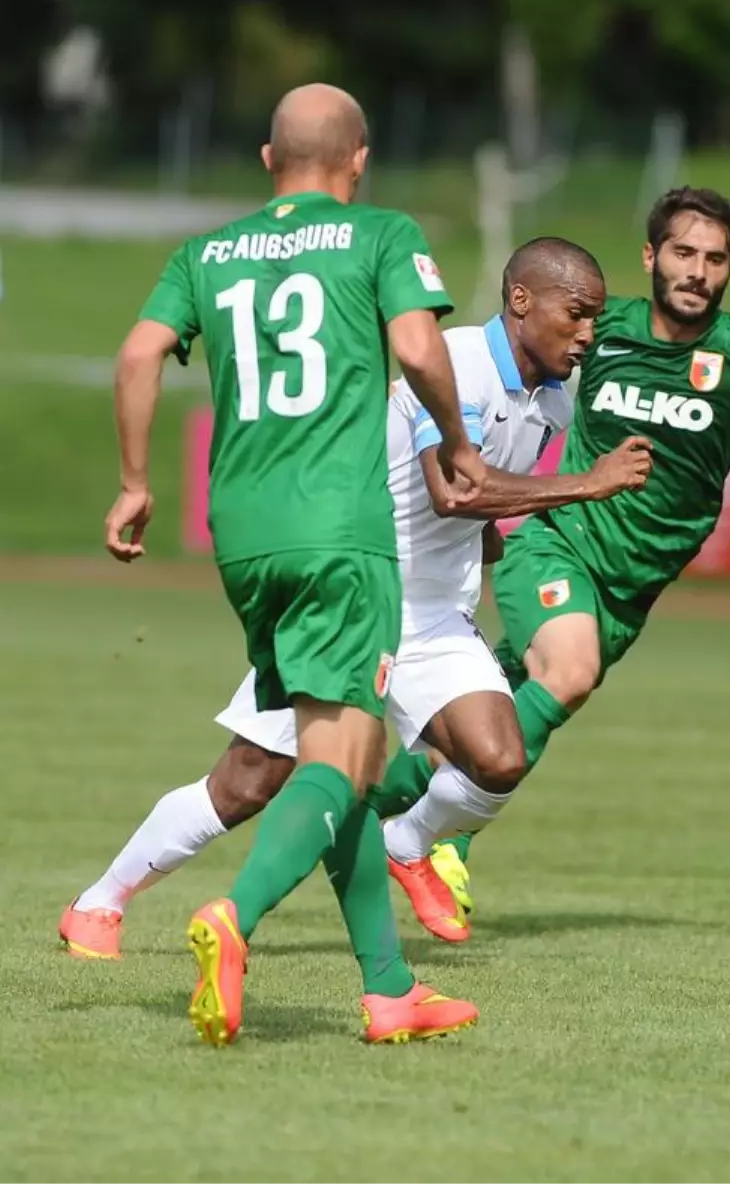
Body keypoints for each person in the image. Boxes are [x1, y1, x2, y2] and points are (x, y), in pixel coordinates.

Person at [63, 237, 653, 957]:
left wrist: (496, 557)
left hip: (434, 614)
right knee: (248, 783)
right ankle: (100, 902)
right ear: (522, 301)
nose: (589, 331)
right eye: (578, 312)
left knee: (497, 755)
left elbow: (472, 515)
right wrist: (589, 483)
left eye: (596, 316)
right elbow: (455, 490)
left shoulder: (552, 401)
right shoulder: (458, 363)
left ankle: (406, 843)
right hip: (353, 596)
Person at [97, 82, 485, 1047]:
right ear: (359, 160)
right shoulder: (380, 235)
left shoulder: (206, 252)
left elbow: (140, 352)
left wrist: (136, 483)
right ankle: (235, 917)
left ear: (269, 161)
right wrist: (453, 435)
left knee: (335, 760)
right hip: (341, 533)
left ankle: (391, 990)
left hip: (243, 534)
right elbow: (417, 344)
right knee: (341, 757)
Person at [383, 185, 730, 937]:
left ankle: (370, 810)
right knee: (567, 673)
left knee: (508, 703)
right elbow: (513, 351)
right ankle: (432, 842)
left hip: (632, 587)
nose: (698, 271)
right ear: (651, 257)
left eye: (716, 259)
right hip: (558, 539)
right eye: (683, 252)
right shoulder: (595, 326)